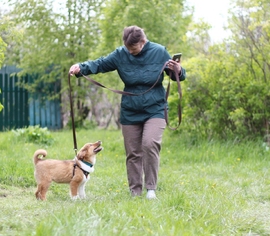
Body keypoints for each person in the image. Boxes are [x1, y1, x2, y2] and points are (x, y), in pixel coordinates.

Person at [69, 25, 186, 199]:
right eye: (127, 48)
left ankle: (151, 189)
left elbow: (178, 74)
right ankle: (135, 192)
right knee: (133, 152)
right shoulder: (121, 53)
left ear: (143, 41)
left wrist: (178, 70)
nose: (130, 51)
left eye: (134, 48)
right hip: (130, 110)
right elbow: (100, 63)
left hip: (155, 108)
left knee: (149, 143)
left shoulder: (159, 52)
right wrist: (81, 67)